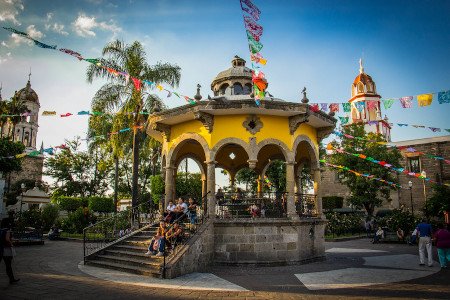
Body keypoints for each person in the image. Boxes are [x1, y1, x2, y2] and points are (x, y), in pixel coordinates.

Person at [1, 218, 20, 284]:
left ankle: (11, 279)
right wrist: (11, 243)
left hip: (1, 249)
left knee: (7, 265)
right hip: (7, 249)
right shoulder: (7, 230)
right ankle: (11, 279)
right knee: (8, 265)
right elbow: (7, 239)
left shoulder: (1, 230)